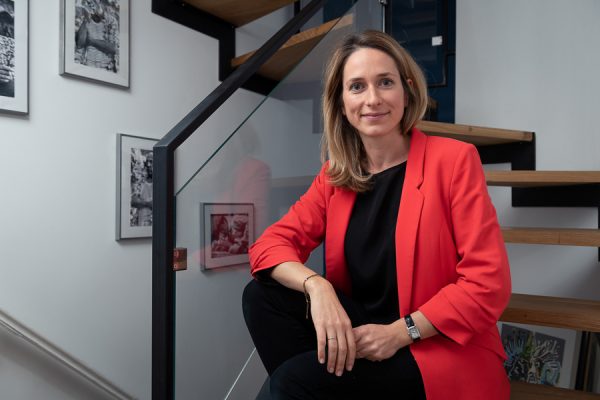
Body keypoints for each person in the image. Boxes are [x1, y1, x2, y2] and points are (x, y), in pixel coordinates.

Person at [242, 30, 511, 400]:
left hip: (435, 346)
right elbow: (268, 246)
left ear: (407, 89)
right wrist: (316, 287)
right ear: (341, 102)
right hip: (365, 336)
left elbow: (487, 285)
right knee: (262, 296)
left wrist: (401, 332)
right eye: (356, 87)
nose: (372, 99)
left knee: (288, 384)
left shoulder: (453, 161)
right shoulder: (336, 176)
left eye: (385, 82)